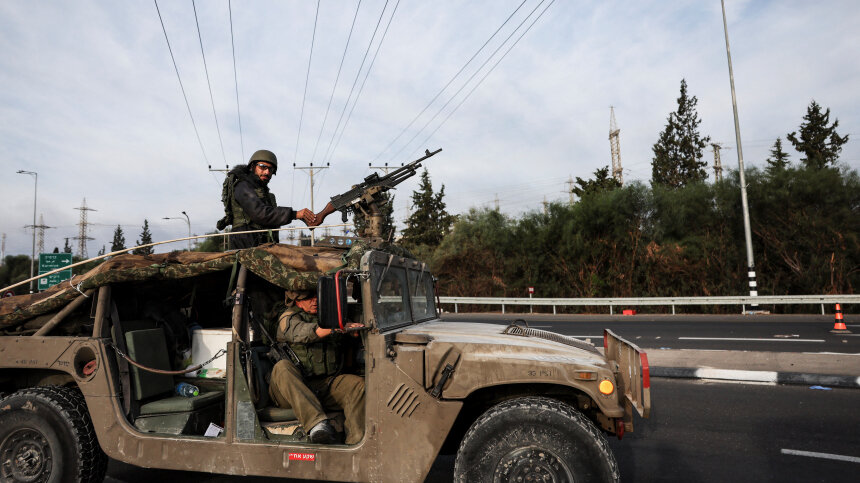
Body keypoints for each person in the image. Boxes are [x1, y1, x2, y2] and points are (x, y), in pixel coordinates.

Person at [267, 290, 365, 445]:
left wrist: (352, 332)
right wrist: (334, 327)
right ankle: (317, 426)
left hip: (321, 385)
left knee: (357, 386)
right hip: (290, 391)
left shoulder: (327, 316)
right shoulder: (288, 317)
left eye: (317, 296)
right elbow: (301, 333)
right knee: (282, 367)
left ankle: (355, 444)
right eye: (308, 297)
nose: (315, 300)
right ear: (297, 300)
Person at [217, 150, 315, 249]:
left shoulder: (261, 192)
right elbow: (260, 213)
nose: (267, 172)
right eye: (263, 167)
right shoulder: (243, 186)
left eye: (271, 169)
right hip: (246, 244)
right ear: (252, 166)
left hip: (261, 243)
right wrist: (294, 214)